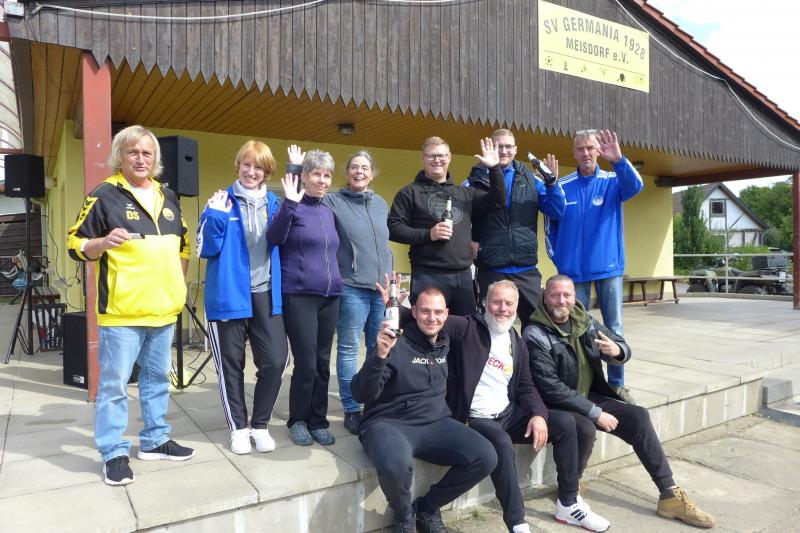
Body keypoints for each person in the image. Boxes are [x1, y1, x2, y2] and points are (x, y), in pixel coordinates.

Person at [380, 276, 608, 532]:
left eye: (509, 304)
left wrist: (538, 414)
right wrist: (394, 308)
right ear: (485, 303)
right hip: (476, 417)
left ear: (516, 306)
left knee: (566, 423)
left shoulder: (515, 340)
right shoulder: (467, 327)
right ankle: (517, 522)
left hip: (508, 413)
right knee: (500, 443)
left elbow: (526, 385)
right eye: (496, 302)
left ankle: (568, 502)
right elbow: (432, 318)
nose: (502, 309)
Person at [524, 275, 715, 530]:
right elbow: (550, 387)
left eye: (567, 295)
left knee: (638, 416)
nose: (561, 300)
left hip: (588, 394)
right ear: (545, 298)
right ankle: (571, 485)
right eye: (555, 295)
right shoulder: (535, 332)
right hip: (556, 403)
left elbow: (621, 344)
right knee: (584, 427)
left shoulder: (585, 321)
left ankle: (669, 494)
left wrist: (618, 351)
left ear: (574, 297)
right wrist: (595, 412)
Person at [67, 125, 194, 486]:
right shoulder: (104, 195)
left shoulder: (168, 196)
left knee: (157, 381)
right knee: (115, 386)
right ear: (119, 157)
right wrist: (102, 243)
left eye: (147, 153)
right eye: (133, 152)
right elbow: (75, 243)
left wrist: (177, 283)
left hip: (164, 310)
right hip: (122, 313)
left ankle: (155, 440)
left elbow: (183, 244)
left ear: (155, 159)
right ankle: (113, 452)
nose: (140, 159)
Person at [351, 287, 497, 533]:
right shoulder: (395, 343)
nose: (432, 318)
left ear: (446, 314)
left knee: (486, 456)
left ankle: (427, 507)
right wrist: (380, 355)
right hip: (389, 423)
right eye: (425, 311)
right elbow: (360, 394)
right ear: (415, 312)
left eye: (438, 312)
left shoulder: (445, 341)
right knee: (396, 466)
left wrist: (395, 306)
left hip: (436, 423)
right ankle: (404, 516)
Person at [197, 140, 288, 455]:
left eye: (258, 167)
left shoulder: (275, 204)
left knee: (276, 361)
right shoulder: (220, 200)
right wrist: (215, 217)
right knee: (231, 367)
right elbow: (205, 249)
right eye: (246, 165)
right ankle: (238, 428)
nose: (251, 172)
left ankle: (260, 425)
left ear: (267, 171)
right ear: (238, 166)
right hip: (229, 296)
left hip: (266, 295)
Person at [544, 129, 643, 404]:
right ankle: (583, 382)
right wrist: (560, 260)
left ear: (598, 151)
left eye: (590, 148)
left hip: (608, 268)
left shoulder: (612, 181)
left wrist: (619, 160)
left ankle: (617, 384)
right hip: (573, 273)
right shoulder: (563, 185)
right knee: (576, 328)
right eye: (581, 149)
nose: (586, 153)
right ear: (574, 153)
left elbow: (635, 187)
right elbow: (550, 221)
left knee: (614, 326)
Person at [267, 148, 341, 447]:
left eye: (327, 175)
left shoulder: (328, 212)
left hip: (330, 296)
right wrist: (289, 202)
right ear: (305, 177)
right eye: (316, 174)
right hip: (300, 295)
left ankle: (318, 420)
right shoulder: (292, 207)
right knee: (307, 363)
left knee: (323, 362)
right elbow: (273, 238)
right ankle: (298, 420)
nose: (322, 180)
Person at [387, 137, 505, 315]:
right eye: (431, 156)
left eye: (441, 155)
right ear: (423, 158)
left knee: (464, 328)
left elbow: (498, 201)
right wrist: (428, 234)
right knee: (426, 327)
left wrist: (495, 168)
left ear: (449, 158)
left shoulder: (465, 193)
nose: (437, 160)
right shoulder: (409, 193)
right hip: (427, 274)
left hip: (462, 276)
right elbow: (394, 228)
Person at [322, 150, 393, 435]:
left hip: (381, 289)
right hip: (351, 287)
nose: (359, 172)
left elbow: (384, 245)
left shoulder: (380, 203)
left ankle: (373, 403)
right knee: (349, 348)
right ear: (347, 172)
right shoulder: (333, 201)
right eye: (354, 167)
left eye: (364, 168)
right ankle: (351, 408)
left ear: (372, 173)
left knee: (379, 348)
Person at [467, 129, 565, 329]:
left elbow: (556, 210)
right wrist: (468, 241)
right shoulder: (475, 180)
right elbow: (462, 217)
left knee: (539, 326)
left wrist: (552, 184)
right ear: (490, 148)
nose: (504, 151)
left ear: (515, 149)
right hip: (491, 268)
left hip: (526, 269)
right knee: (490, 328)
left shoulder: (531, 179)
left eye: (508, 146)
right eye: (499, 146)